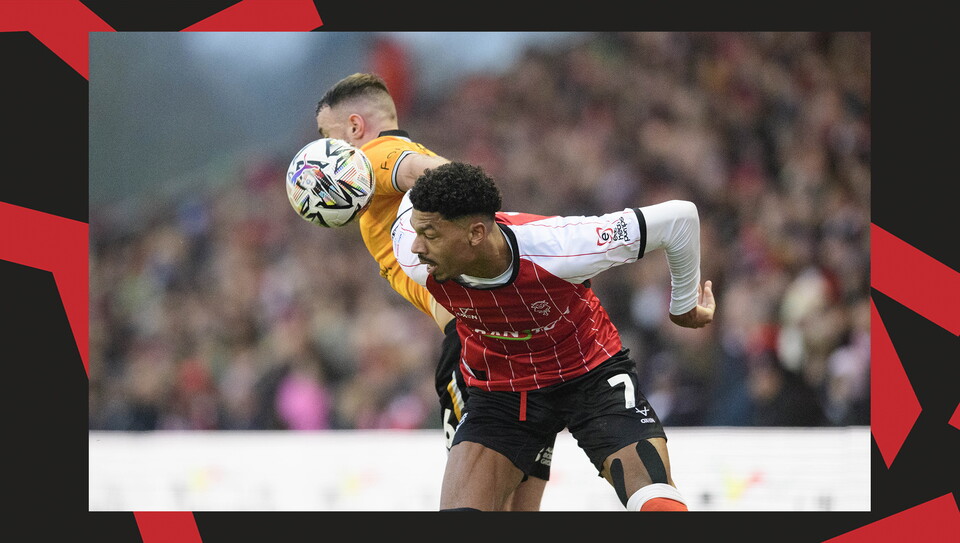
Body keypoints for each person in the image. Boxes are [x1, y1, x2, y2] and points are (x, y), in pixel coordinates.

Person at [392, 161, 716, 511]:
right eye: (417, 232)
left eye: (430, 235)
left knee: (655, 502)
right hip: (502, 390)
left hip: (589, 375)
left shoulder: (561, 245)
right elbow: (403, 167)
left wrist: (683, 304)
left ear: (475, 233)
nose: (416, 248)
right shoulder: (413, 252)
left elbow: (679, 219)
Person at [314, 72, 554, 510]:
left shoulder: (376, 157)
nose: (321, 153)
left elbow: (443, 176)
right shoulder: (387, 168)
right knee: (517, 505)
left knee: (466, 504)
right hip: (519, 339)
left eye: (325, 137)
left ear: (353, 128)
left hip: (474, 345)